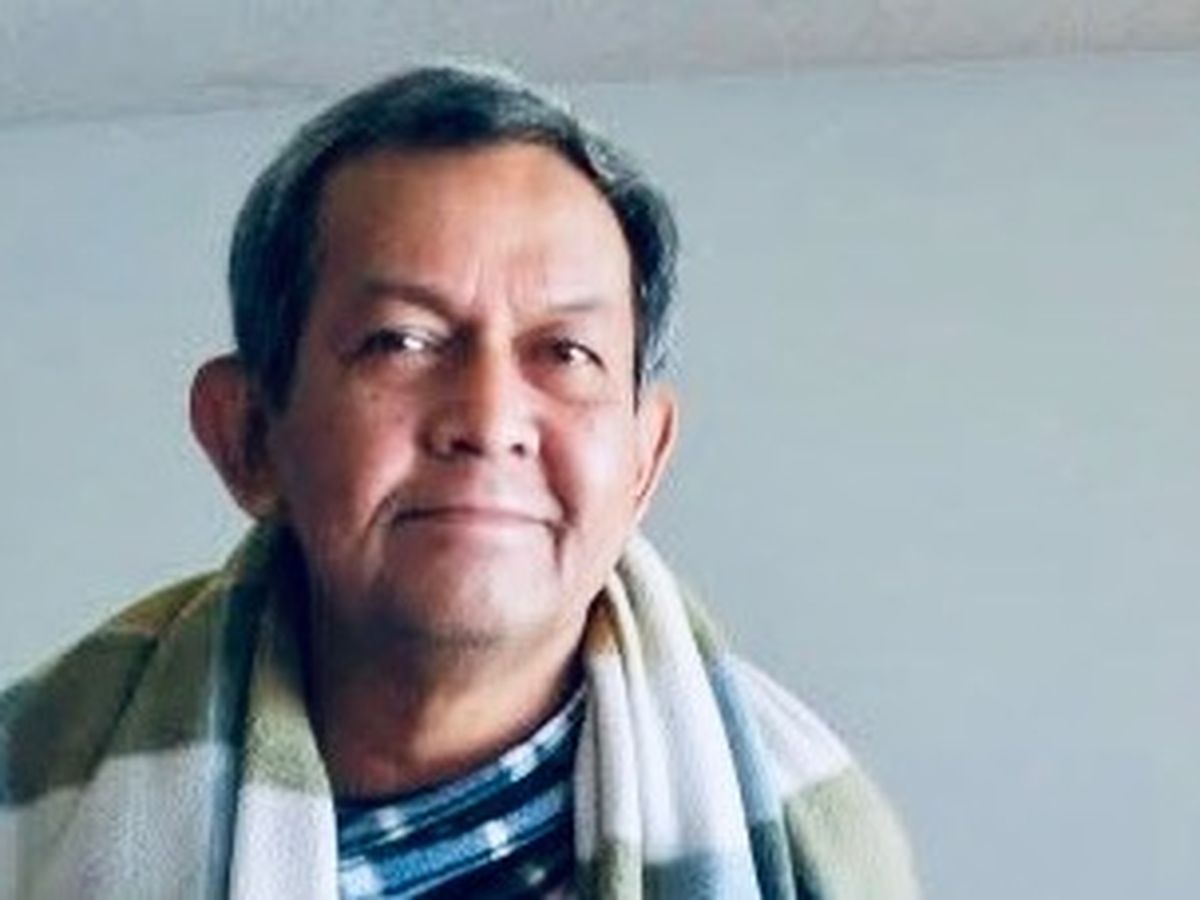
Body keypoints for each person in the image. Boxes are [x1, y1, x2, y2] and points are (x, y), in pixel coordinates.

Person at [0, 65, 919, 899]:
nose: (487, 418)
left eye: (566, 352)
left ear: (643, 461)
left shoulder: (813, 840)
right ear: (247, 435)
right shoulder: (31, 789)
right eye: (401, 342)